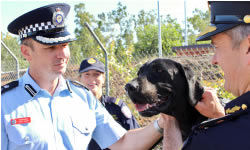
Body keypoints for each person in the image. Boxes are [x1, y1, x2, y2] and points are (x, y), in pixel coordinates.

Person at [1, 3, 165, 150]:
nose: (62, 54)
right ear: (26, 52)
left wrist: (163, 122)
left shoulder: (83, 97)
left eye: (64, 45)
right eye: (50, 48)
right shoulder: (5, 103)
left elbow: (123, 144)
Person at [163, 1, 250, 150]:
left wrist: (170, 121)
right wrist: (221, 118)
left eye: (216, 47)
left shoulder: (210, 142)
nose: (213, 60)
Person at [78, 57, 140, 150]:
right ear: (79, 79)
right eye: (87, 74)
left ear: (103, 78)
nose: (92, 79)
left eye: (96, 74)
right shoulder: (72, 108)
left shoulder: (116, 107)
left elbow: (136, 138)